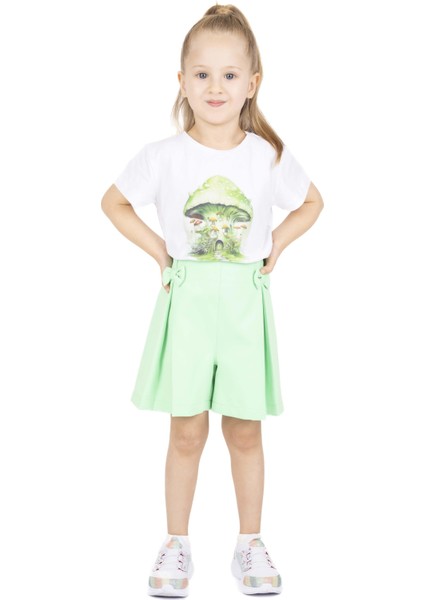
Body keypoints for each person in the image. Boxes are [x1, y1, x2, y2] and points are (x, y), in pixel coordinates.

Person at [101, 3, 323, 597]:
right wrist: (159, 251)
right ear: (182, 81)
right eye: (202, 74)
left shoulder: (267, 155)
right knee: (186, 431)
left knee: (245, 431)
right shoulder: (163, 155)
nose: (215, 87)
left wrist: (277, 244)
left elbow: (312, 203)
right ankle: (176, 543)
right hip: (188, 303)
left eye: (229, 74)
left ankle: (249, 543)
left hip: (246, 305)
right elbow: (114, 202)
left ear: (252, 83)